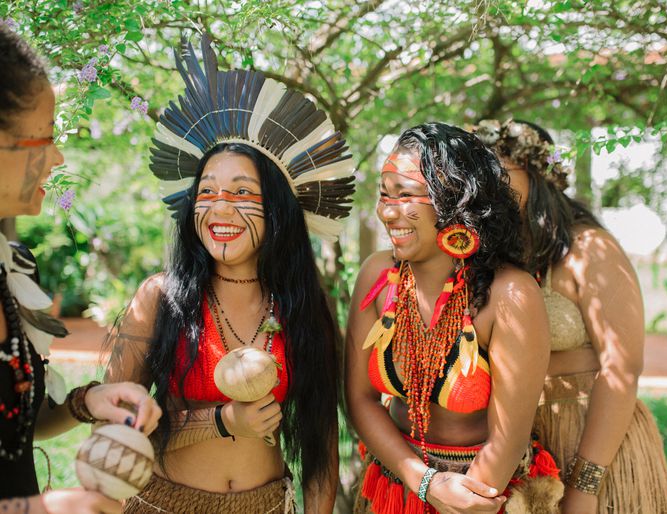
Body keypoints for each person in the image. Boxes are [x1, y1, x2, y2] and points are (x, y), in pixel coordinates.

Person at [104, 35, 354, 514]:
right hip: (162, 505)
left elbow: (320, 440)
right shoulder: (160, 296)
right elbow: (111, 426)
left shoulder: (302, 305)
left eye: (241, 193)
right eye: (207, 192)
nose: (220, 208)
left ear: (278, 210)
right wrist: (218, 421)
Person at [346, 122, 563, 514]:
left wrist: (460, 499)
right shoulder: (378, 276)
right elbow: (360, 399)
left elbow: (508, 438)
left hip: (483, 493)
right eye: (384, 194)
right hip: (395, 486)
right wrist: (424, 482)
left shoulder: (509, 294)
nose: (387, 212)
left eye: (405, 195)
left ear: (452, 199)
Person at [0, 25, 162, 514]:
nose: (58, 157)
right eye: (45, 137)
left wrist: (86, 402)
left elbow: (17, 423)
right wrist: (40, 510)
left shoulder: (11, 271)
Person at [476, 118, 667, 513]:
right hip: (515, 447)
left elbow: (622, 366)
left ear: (538, 175)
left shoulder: (591, 249)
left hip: (591, 439)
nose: (490, 185)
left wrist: (585, 483)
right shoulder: (489, 257)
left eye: (502, 172)